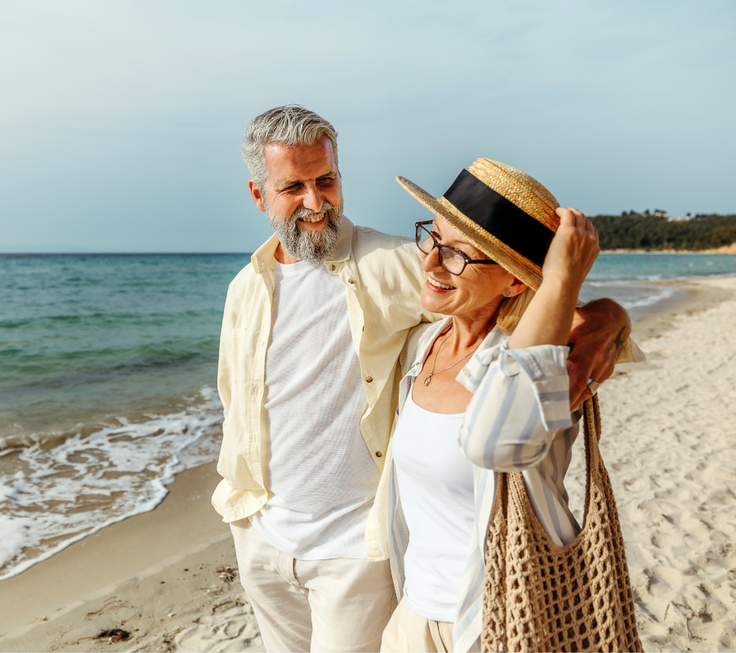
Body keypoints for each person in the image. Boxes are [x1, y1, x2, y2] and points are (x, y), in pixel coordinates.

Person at [212, 106, 636, 653]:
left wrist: (610, 313)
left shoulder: (393, 263)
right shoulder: (245, 287)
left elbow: (527, 305)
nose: (315, 202)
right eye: (293, 186)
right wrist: (246, 519)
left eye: (326, 180)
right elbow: (238, 404)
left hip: (355, 549)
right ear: (258, 195)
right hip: (261, 535)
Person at [379, 159, 641, 652]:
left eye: (458, 255)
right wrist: (612, 312)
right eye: (430, 238)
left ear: (516, 281)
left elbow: (495, 444)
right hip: (413, 614)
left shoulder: (550, 365)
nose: (432, 263)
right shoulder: (421, 344)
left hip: (504, 618)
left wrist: (568, 285)